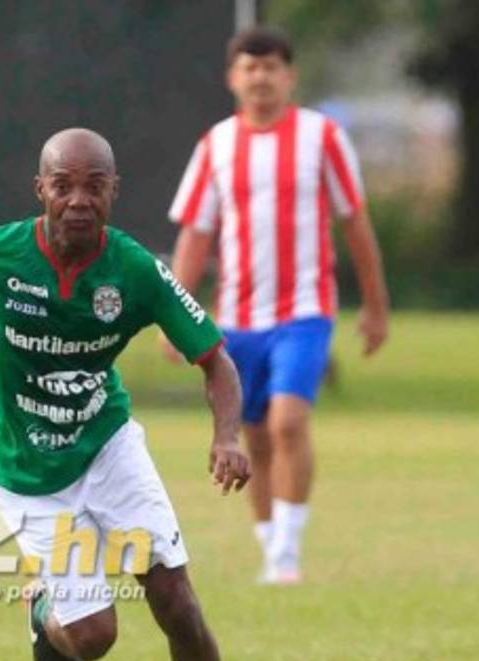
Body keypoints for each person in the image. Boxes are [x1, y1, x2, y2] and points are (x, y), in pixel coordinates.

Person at [0, 127, 254, 661]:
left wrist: (227, 436)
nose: (78, 199)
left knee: (176, 600)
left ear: (114, 193)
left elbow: (217, 362)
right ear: (40, 188)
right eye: (63, 185)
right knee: (94, 641)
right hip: (28, 474)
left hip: (109, 448)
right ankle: (44, 609)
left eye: (94, 186)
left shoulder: (134, 270)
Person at [165, 27, 391, 584]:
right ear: (233, 78)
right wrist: (174, 317)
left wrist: (375, 305)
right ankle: (270, 545)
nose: (260, 77)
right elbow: (195, 235)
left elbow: (354, 221)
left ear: (289, 76)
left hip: (305, 310)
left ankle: (288, 550)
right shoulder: (215, 145)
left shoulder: (322, 137)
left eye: (271, 67)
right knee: (256, 436)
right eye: (250, 67)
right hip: (237, 317)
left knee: (290, 421)